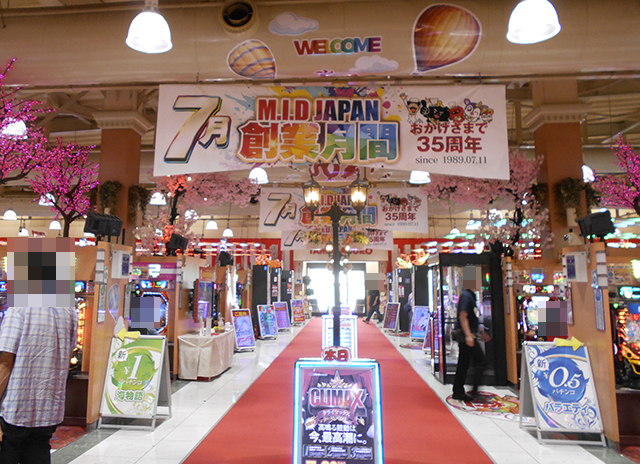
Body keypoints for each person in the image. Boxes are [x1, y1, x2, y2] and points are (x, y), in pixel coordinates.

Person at [452, 267, 490, 402]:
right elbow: (463, 315)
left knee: (464, 363)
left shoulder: (470, 296)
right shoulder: (467, 296)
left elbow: (471, 317)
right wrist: (469, 335)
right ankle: (474, 392)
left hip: (467, 334)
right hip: (466, 335)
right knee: (480, 361)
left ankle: (458, 391)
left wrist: (480, 332)